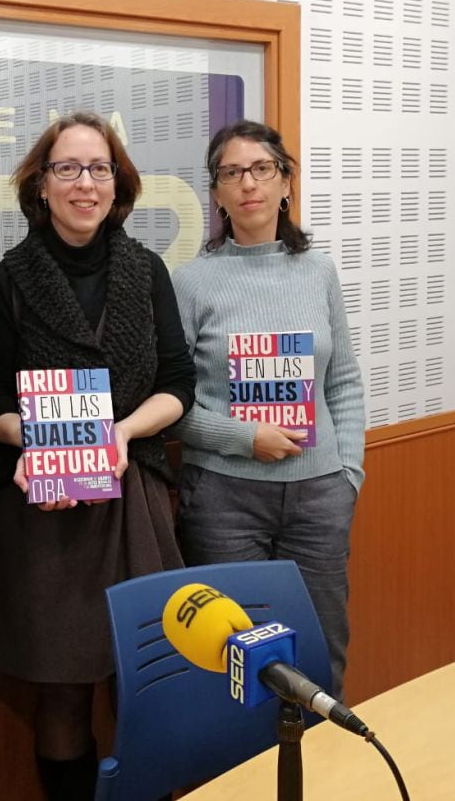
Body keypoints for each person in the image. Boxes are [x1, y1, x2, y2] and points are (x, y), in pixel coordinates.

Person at [0, 111, 196, 801]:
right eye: (67, 168)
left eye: (99, 169)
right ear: (40, 186)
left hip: (135, 501)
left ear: (117, 184)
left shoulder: (146, 269)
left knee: (153, 682)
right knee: (62, 696)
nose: (84, 183)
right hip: (45, 513)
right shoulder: (5, 283)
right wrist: (41, 439)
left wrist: (122, 433)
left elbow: (178, 383)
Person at [170, 118, 365, 698]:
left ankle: (324, 773)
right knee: (233, 663)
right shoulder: (192, 282)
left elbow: (346, 382)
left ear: (285, 183)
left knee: (323, 646)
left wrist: (349, 474)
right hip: (223, 501)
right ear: (217, 193)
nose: (248, 183)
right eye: (232, 173)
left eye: (262, 169)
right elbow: (173, 403)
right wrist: (241, 437)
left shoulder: (319, 270)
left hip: (320, 495)